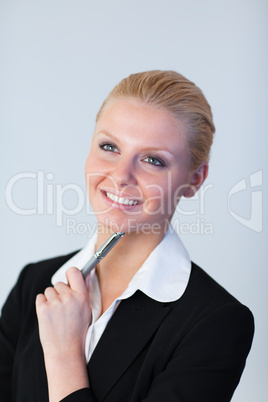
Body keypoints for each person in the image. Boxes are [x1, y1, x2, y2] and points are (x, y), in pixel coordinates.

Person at [0, 70, 254, 402]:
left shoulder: (215, 323)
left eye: (153, 160)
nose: (121, 176)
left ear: (194, 179)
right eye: (109, 146)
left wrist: (64, 357)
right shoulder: (34, 284)